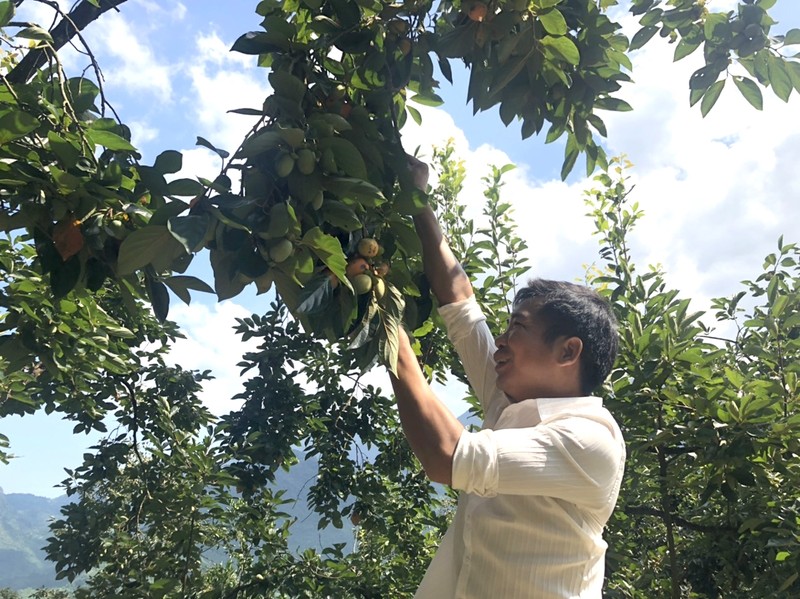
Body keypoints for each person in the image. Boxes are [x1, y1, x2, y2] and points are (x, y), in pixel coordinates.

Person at [388, 156, 626, 598]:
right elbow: (461, 307)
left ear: (568, 351)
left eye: (517, 328)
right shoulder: (511, 404)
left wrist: (387, 328)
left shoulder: (590, 441)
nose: (500, 341)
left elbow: (447, 456)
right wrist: (418, 201)